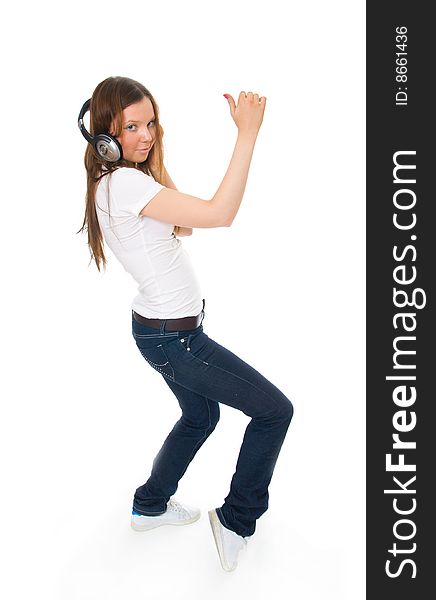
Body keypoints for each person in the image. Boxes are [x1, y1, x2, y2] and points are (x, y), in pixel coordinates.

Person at [77, 76, 294, 572]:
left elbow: (186, 225)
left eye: (150, 123)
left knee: (201, 417)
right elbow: (219, 215)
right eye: (131, 127)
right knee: (274, 412)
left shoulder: (118, 182)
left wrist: (151, 162)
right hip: (178, 342)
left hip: (158, 332)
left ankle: (150, 505)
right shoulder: (127, 184)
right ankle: (237, 521)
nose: (146, 134)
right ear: (103, 135)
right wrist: (247, 135)